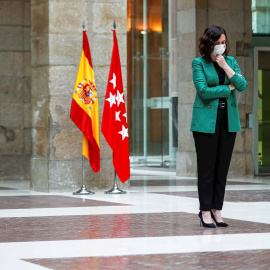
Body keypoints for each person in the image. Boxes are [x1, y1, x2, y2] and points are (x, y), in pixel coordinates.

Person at [190, 25, 248, 228]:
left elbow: (242, 85)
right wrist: (227, 88)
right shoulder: (198, 63)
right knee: (207, 169)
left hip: (228, 121)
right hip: (205, 123)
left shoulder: (230, 62)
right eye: (217, 43)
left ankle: (217, 210)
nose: (221, 46)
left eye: (223, 43)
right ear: (209, 44)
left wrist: (225, 67)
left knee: (221, 169)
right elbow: (203, 91)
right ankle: (205, 211)